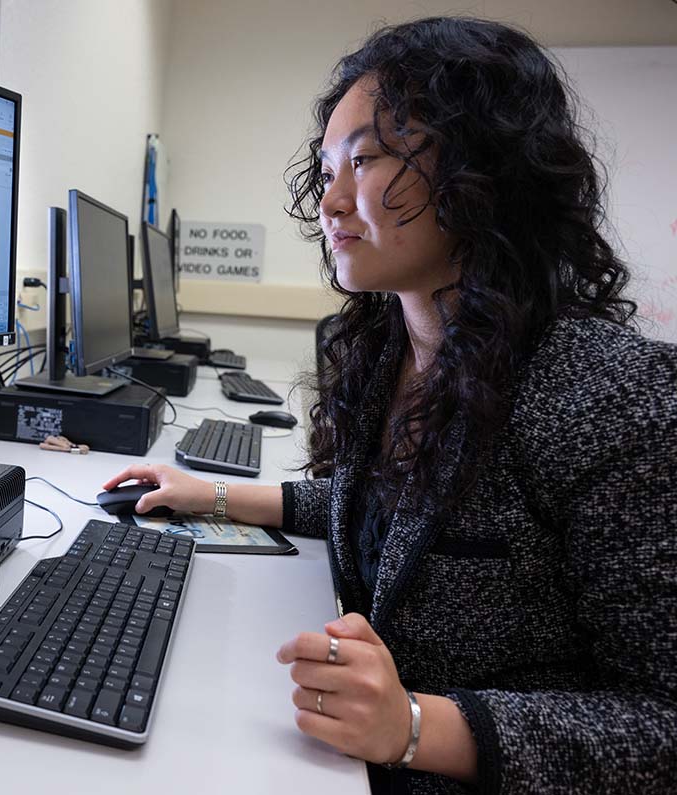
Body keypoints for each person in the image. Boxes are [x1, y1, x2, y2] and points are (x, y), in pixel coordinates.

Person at [103, 17, 677, 795]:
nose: (331, 201)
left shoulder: (608, 396)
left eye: (365, 160)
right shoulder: (389, 350)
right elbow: (385, 509)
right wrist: (216, 494)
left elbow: (661, 722)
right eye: (325, 169)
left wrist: (414, 724)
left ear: (480, 171)